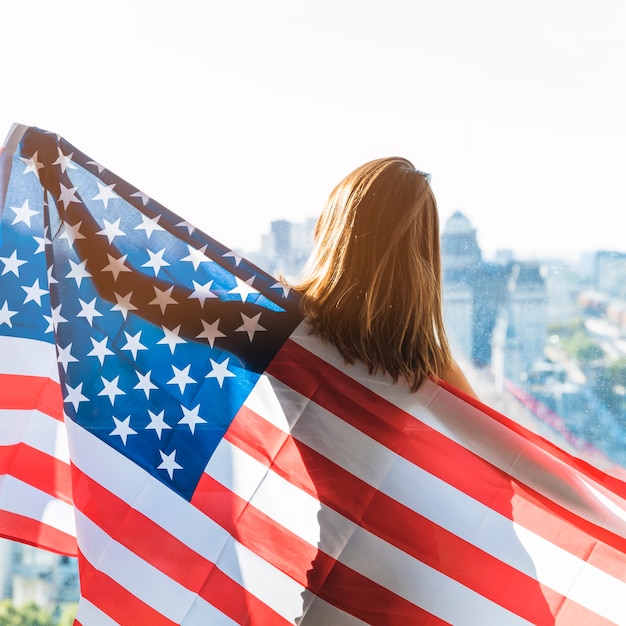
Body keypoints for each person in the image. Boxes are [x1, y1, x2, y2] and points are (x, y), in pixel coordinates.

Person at [295, 156, 477, 398]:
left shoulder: (278, 321)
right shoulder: (428, 367)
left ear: (333, 232)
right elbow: (492, 436)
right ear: (425, 253)